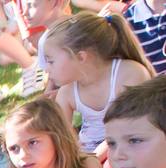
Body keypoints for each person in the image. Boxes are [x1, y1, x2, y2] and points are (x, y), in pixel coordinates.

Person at [46, 12, 154, 155]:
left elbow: (132, 127)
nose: (46, 69)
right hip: (90, 156)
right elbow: (63, 138)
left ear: (80, 57)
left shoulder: (129, 74)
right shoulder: (66, 92)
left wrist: (96, 158)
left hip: (130, 148)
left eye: (51, 61)